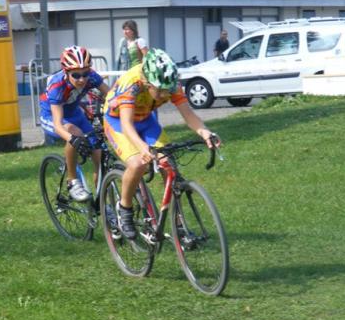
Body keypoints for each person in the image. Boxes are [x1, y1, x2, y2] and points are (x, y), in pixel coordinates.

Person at [104, 48, 221, 239]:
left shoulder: (170, 84)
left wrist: (204, 131)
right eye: (158, 90)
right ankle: (124, 208)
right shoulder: (131, 83)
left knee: (169, 166)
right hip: (117, 120)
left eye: (167, 91)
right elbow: (126, 124)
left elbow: (188, 114)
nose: (164, 95)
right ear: (145, 81)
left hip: (145, 120)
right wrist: (142, 148)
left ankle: (178, 225)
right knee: (137, 163)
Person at [39, 45, 110, 201]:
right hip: (51, 115)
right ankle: (73, 181)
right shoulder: (57, 85)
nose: (82, 79)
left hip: (74, 113)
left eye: (85, 74)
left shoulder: (91, 77)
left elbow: (112, 97)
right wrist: (73, 139)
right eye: (76, 75)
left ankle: (103, 204)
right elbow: (58, 125)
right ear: (66, 72)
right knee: (73, 133)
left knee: (98, 152)